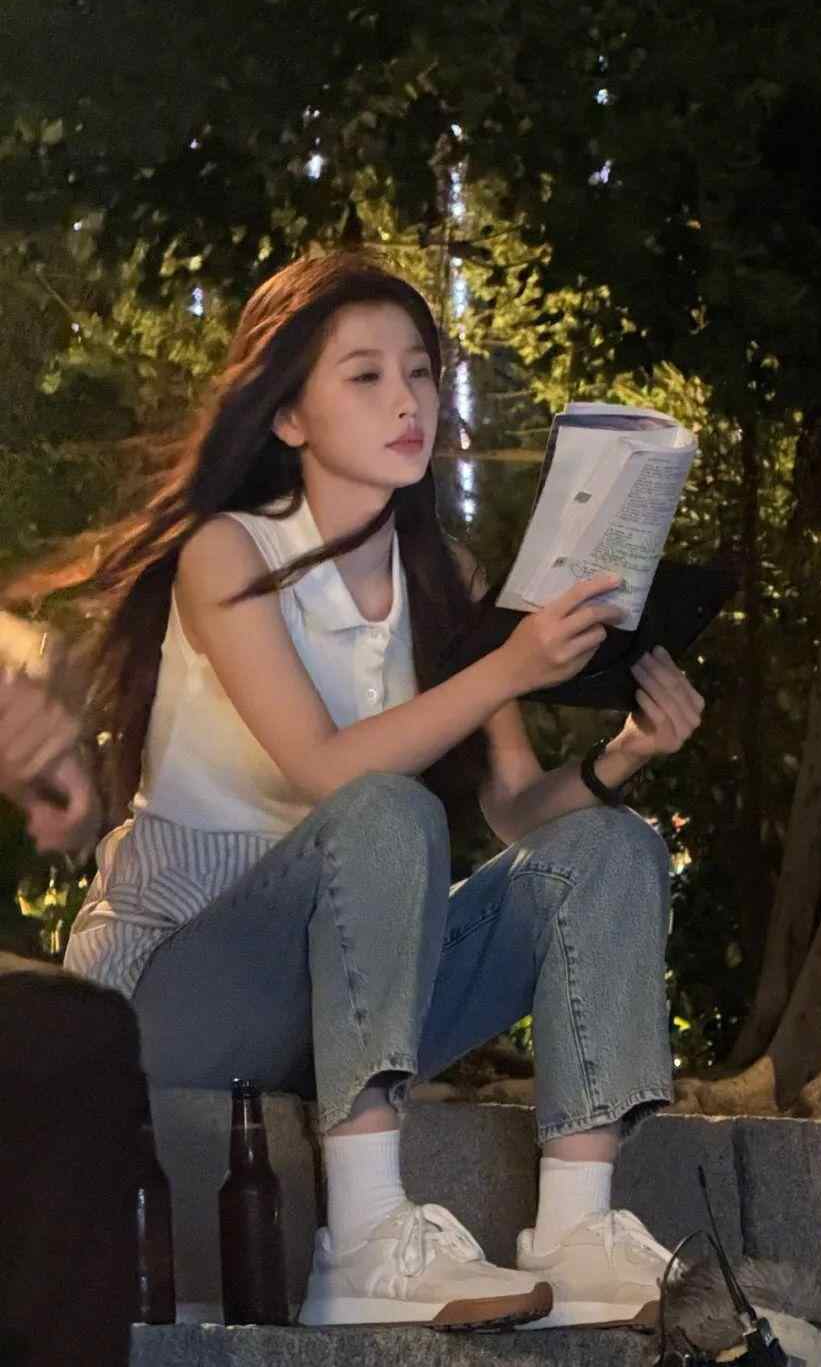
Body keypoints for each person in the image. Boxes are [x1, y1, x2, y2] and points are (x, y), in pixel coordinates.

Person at [0, 251, 706, 1331]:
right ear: (288, 415)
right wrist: (508, 667)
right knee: (383, 805)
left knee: (612, 845)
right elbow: (328, 768)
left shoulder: (449, 579)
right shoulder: (227, 552)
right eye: (365, 376)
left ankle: (577, 1229)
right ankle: (368, 1234)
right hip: (184, 984)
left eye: (419, 372)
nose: (407, 401)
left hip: (362, 981)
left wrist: (622, 756)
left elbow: (517, 808)